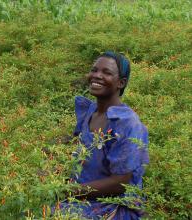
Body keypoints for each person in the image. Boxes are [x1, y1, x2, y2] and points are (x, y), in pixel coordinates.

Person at [62, 51, 149, 219]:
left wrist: (67, 192)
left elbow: (120, 183)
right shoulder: (91, 111)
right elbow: (80, 143)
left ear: (121, 83)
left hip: (111, 203)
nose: (97, 76)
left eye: (106, 73)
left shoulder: (127, 123)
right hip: (81, 193)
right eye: (94, 70)